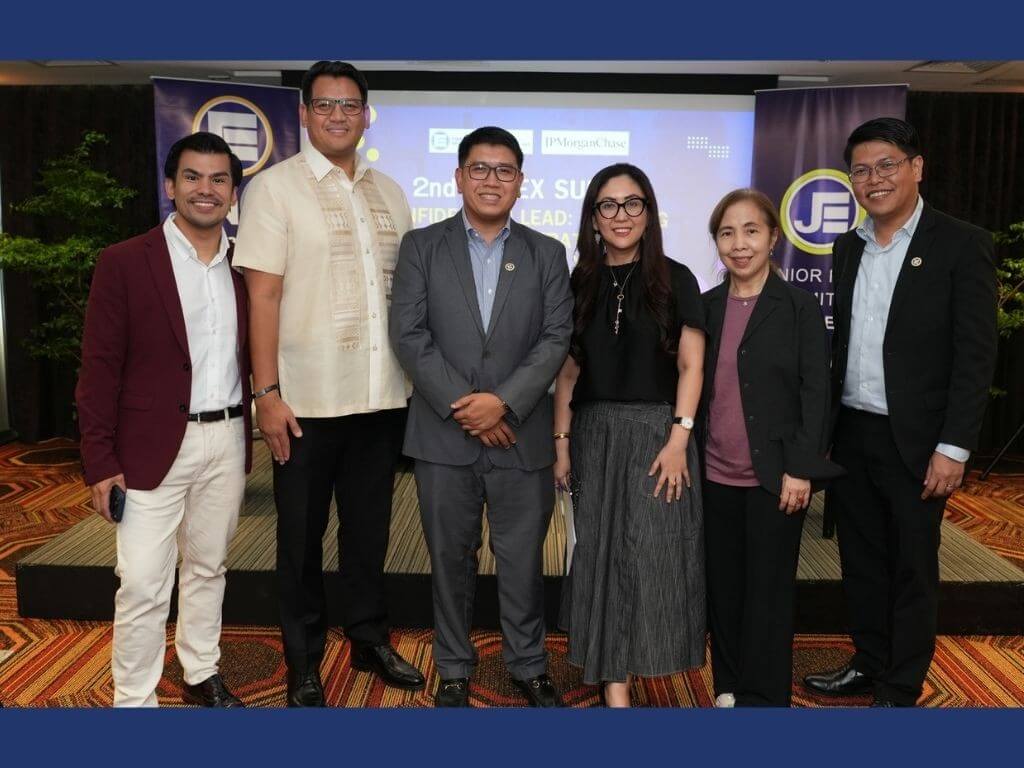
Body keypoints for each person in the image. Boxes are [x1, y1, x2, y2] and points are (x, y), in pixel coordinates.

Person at [232, 60, 424, 706]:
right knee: (299, 539)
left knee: (369, 533)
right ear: (304, 114)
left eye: (350, 105)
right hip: (304, 403)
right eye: (325, 105)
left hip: (380, 398)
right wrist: (267, 394)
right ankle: (304, 659)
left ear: (367, 114)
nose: (339, 116)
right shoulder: (273, 190)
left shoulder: (392, 191)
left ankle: (368, 638)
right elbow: (263, 296)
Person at [804, 117, 998, 707]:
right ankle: (868, 661)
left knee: (913, 564)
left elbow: (975, 356)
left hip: (920, 441)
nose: (873, 179)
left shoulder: (961, 243)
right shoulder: (847, 246)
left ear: (917, 167)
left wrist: (955, 446)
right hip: (855, 432)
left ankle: (902, 680)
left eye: (886, 165)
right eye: (860, 170)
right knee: (860, 559)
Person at [389, 126, 573, 707]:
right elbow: (409, 335)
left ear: (520, 181)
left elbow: (556, 337)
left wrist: (505, 403)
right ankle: (454, 668)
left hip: (522, 436)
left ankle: (528, 663)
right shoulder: (421, 246)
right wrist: (470, 409)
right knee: (449, 558)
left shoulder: (547, 252)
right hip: (444, 436)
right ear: (459, 177)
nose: (492, 180)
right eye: (480, 168)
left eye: (504, 170)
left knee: (523, 559)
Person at [76, 132, 251, 707]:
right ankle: (135, 701)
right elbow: (99, 369)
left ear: (233, 191)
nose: (207, 189)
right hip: (147, 449)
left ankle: (201, 672)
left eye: (219, 179)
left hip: (226, 439)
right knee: (144, 585)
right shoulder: (125, 261)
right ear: (170, 186)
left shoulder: (246, 265)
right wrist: (99, 461)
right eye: (194, 178)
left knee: (208, 567)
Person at [552, 163, 706, 708]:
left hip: (656, 438)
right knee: (597, 553)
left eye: (632, 203)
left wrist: (678, 438)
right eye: (608, 205)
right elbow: (569, 372)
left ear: (650, 211)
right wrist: (562, 442)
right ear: (593, 216)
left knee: (650, 554)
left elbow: (692, 366)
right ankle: (613, 679)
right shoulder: (581, 282)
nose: (621, 216)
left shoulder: (676, 278)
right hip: (593, 436)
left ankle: (637, 664)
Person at [699, 188, 842, 707]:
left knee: (769, 594)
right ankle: (729, 686)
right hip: (712, 474)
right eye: (727, 232)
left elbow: (815, 392)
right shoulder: (705, 306)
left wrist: (801, 469)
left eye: (751, 230)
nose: (739, 244)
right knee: (724, 591)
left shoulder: (798, 307)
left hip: (775, 476)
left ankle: (764, 699)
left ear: (773, 238)